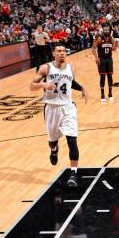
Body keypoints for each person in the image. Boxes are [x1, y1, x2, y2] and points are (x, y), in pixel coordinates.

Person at [30, 46, 89, 188]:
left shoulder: (70, 67)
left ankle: (73, 173)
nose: (63, 53)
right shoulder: (46, 68)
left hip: (68, 107)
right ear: (53, 53)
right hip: (51, 108)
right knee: (53, 140)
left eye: (64, 51)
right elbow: (32, 85)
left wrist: (82, 88)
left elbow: (71, 83)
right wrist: (43, 84)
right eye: (59, 51)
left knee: (72, 139)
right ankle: (54, 149)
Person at [91, 26, 119, 103]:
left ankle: (110, 93)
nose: (106, 31)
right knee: (102, 77)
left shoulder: (111, 38)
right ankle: (102, 94)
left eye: (108, 29)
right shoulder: (99, 38)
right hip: (102, 59)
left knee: (110, 76)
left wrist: (116, 45)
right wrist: (96, 58)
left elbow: (114, 49)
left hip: (109, 59)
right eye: (105, 29)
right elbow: (93, 48)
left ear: (109, 30)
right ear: (103, 30)